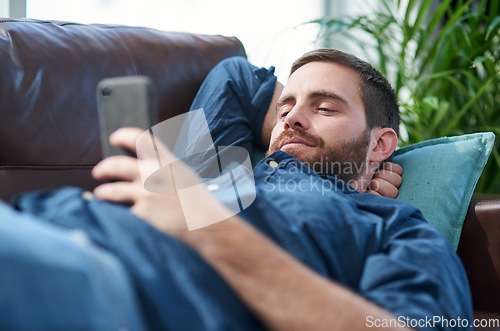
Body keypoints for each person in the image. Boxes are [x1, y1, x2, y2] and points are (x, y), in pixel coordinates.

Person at [89, 49, 473, 330]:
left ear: (380, 145)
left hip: (118, 287)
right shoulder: (219, 176)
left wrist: (207, 223)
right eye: (284, 107)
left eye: (325, 108)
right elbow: (235, 77)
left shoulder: (391, 225)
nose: (290, 118)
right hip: (65, 222)